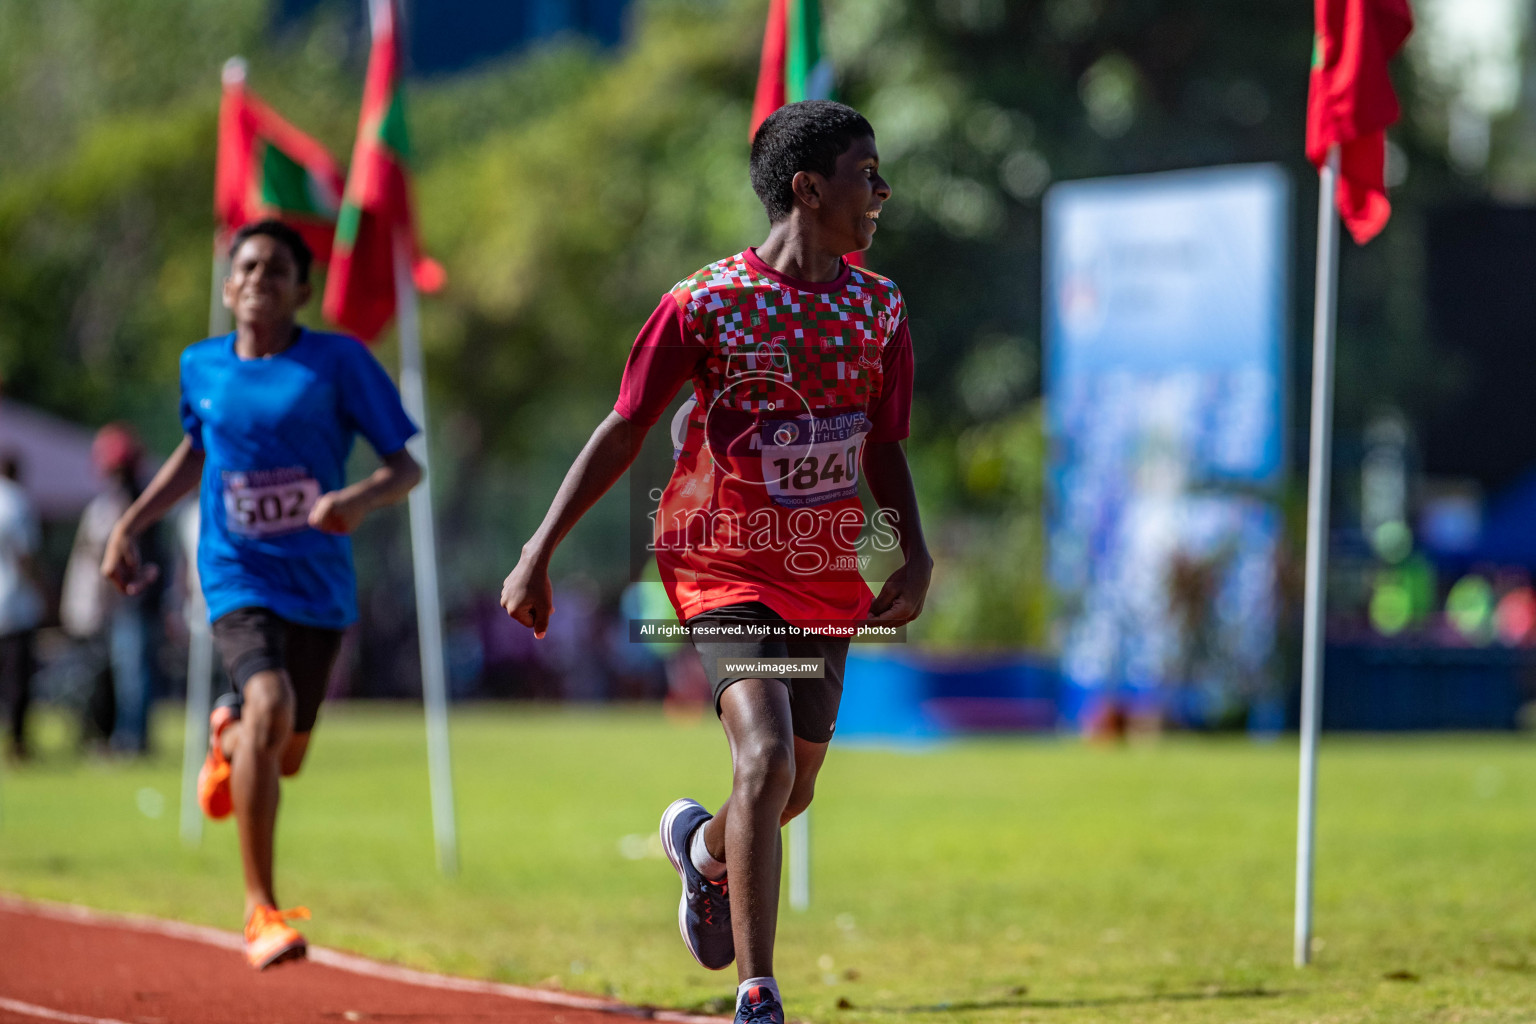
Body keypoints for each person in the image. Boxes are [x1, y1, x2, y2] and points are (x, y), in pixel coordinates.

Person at [500, 101, 930, 1024]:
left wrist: (914, 550)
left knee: (793, 786)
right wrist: (540, 551)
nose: (881, 194)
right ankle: (758, 990)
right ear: (808, 189)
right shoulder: (703, 305)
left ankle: (701, 856)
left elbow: (884, 445)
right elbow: (625, 428)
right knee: (766, 754)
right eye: (868, 174)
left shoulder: (879, 307)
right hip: (720, 565)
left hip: (823, 575)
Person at [100, 219, 422, 970]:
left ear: (301, 289)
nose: (258, 279)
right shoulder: (201, 367)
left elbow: (406, 468)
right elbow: (194, 453)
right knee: (269, 706)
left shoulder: (338, 362)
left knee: (282, 752)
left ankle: (231, 738)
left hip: (319, 584)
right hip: (236, 573)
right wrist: (130, 524)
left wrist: (357, 500)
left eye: (276, 269)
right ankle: (259, 909)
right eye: (245, 267)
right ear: (227, 284)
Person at [61, 424, 163, 754]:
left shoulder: (135, 503)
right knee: (124, 675)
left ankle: (131, 739)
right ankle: (122, 735)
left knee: (134, 675)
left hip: (135, 601)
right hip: (120, 604)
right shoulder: (124, 501)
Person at [0, 454, 44, 762]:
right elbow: (24, 555)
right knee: (17, 679)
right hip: (13, 602)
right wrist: (44, 590)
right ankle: (17, 743)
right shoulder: (16, 502)